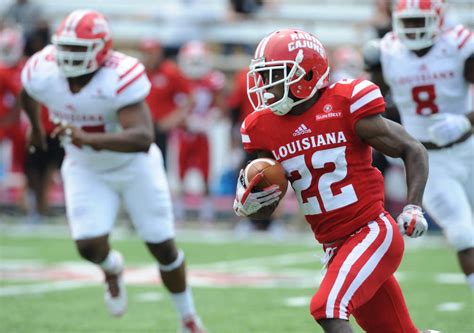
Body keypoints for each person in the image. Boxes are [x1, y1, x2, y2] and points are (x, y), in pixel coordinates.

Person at [20, 10, 205, 333]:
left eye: (79, 49)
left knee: (162, 246)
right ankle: (111, 268)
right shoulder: (42, 69)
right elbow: (28, 94)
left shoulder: (120, 74)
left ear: (101, 50)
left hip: (135, 167)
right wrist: (36, 129)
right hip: (85, 167)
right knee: (88, 245)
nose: (69, 56)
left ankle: (187, 318)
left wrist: (87, 138)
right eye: (66, 47)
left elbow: (143, 137)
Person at [233, 28, 430, 332]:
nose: (266, 86)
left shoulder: (345, 103)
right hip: (335, 246)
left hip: (372, 232)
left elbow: (412, 148)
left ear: (307, 75)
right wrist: (250, 202)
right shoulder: (261, 128)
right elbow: (266, 201)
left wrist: (413, 206)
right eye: (263, 76)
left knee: (328, 307)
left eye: (275, 76)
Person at [366, 0, 474, 291]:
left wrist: (466, 120)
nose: (413, 28)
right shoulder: (385, 53)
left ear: (438, 20)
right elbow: (372, 105)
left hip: (469, 147)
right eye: (408, 21)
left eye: (419, 21)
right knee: (463, 234)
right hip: (429, 160)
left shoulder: (459, 45)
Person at [175, 41, 226, 222]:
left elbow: (220, 107)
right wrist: (184, 120)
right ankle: (178, 211)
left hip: (203, 132)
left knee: (205, 173)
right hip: (183, 131)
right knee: (180, 173)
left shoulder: (212, 80)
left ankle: (206, 211)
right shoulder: (179, 79)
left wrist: (208, 120)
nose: (195, 67)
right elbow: (172, 105)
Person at [138, 38, 193, 169]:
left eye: (153, 53)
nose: (150, 57)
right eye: (147, 53)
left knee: (162, 165)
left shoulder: (170, 71)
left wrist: (174, 118)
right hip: (141, 125)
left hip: (162, 128)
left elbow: (191, 98)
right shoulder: (138, 71)